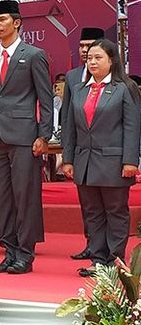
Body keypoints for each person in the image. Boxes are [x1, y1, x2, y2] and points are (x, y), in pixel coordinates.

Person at [0, 0, 53, 275]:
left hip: (25, 136)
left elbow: (45, 99)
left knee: (26, 196)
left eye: (2, 20)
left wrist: (43, 134)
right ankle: (9, 250)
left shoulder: (34, 54)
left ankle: (26, 253)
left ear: (17, 22)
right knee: (1, 197)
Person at [62, 39, 140, 277]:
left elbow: (132, 126)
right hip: (84, 162)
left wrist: (130, 161)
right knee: (92, 212)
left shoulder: (124, 88)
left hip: (114, 162)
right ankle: (97, 259)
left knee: (115, 212)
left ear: (112, 60)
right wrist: (68, 159)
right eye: (89, 58)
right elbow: (69, 127)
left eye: (98, 58)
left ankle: (114, 261)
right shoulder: (79, 89)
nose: (92, 61)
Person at [61, 27, 105, 261]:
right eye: (82, 46)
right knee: (87, 203)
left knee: (106, 204)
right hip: (80, 150)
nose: (86, 51)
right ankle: (91, 244)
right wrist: (67, 156)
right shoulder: (72, 76)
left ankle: (105, 250)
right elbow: (67, 117)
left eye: (91, 47)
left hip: (105, 151)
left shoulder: (116, 79)